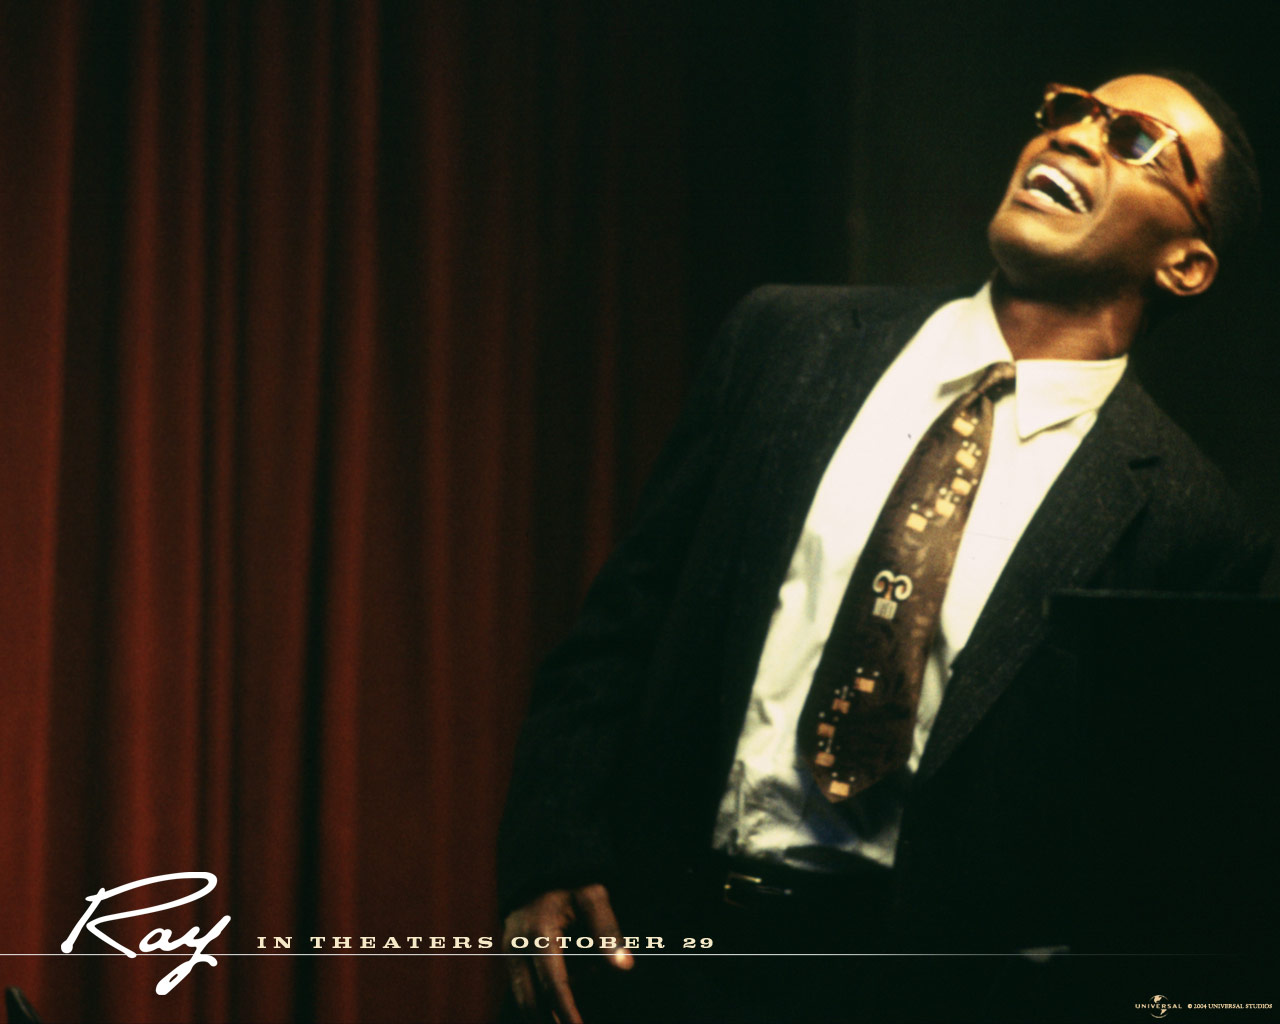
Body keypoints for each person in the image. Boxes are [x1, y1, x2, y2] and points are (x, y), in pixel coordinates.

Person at [497, 71, 1270, 1023]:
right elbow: (626, 616)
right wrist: (550, 851)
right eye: (1072, 111)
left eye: (1137, 140)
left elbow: (1149, 855)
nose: (1075, 136)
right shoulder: (787, 340)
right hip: (655, 950)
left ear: (1186, 265)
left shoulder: (1194, 527)